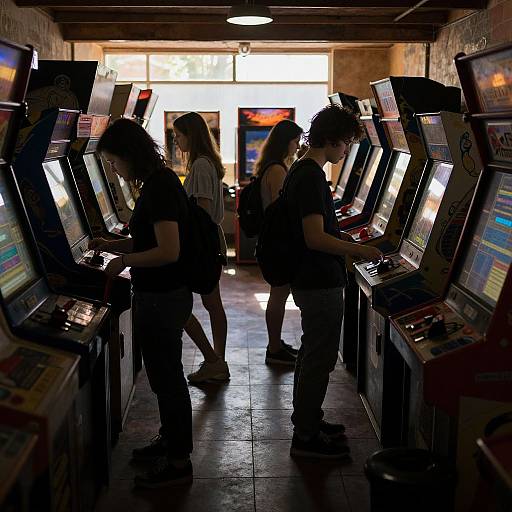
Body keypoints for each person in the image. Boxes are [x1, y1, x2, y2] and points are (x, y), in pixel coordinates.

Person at [90, 118, 193, 487]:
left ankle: (179, 462)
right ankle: (169, 440)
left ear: (130, 156)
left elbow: (168, 250)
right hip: (160, 295)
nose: (114, 170)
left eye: (115, 162)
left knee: (168, 380)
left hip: (163, 296)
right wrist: (112, 246)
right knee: (163, 377)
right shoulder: (158, 182)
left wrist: (124, 262)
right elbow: (148, 239)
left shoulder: (161, 188)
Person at [285, 104, 383, 458]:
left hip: (311, 277)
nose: (345, 151)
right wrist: (357, 251)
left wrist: (348, 242)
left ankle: (308, 419)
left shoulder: (302, 169)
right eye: (344, 143)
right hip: (318, 280)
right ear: (330, 139)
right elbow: (314, 237)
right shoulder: (310, 176)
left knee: (312, 354)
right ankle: (306, 438)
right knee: (319, 358)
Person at [173, 112, 230, 384]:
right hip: (208, 242)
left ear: (191, 136)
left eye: (179, 135)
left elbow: (202, 214)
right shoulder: (205, 163)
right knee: (212, 303)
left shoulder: (201, 166)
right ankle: (217, 361)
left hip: (201, 244)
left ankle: (214, 360)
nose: (176, 141)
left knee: (188, 305)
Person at [254, 119, 303, 365]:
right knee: (279, 294)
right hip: (277, 242)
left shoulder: (272, 166)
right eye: (296, 141)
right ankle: (274, 348)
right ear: (286, 142)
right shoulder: (277, 170)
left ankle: (275, 343)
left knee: (278, 293)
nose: (297, 146)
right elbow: (281, 209)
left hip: (271, 240)